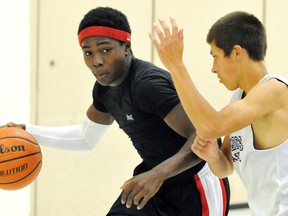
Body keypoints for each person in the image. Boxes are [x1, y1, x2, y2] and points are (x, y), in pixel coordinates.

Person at [4, 7, 230, 216]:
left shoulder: (147, 84)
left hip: (195, 183)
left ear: (127, 46)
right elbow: (86, 138)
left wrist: (158, 174)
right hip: (151, 181)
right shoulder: (103, 90)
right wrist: (29, 132)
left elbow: (204, 137)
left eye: (105, 49)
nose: (97, 61)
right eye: (88, 53)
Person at [150, 11, 288, 216]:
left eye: (215, 57)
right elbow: (225, 167)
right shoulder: (240, 98)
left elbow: (210, 126)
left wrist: (176, 65)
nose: (214, 69)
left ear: (237, 53)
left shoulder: (274, 90)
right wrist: (214, 156)